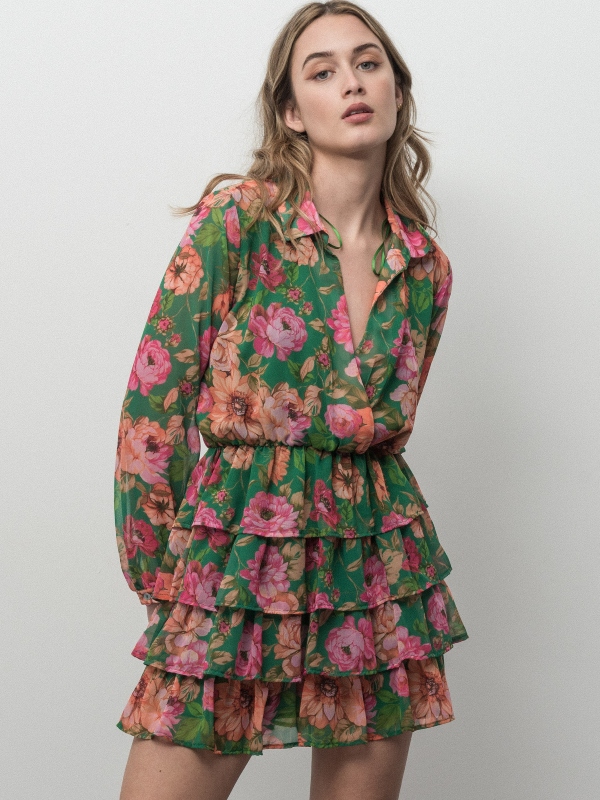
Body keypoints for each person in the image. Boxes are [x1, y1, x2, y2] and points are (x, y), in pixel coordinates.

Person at [114, 2, 469, 798]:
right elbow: (152, 411)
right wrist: (163, 575)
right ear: (291, 112)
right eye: (323, 70)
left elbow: (390, 434)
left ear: (397, 89)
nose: (352, 82)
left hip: (373, 568)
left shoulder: (426, 267)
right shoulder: (240, 220)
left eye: (369, 63)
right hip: (234, 558)